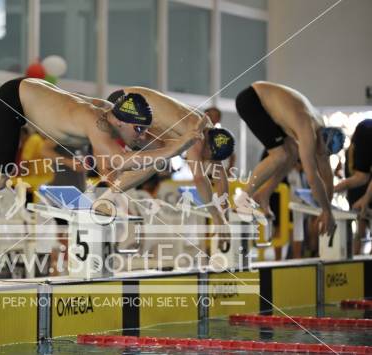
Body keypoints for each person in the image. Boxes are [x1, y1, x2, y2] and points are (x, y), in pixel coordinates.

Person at [0, 78, 198, 224]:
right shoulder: (98, 124)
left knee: (4, 135)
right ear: (121, 121)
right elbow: (121, 162)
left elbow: (119, 162)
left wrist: (163, 145)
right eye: (139, 130)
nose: (142, 135)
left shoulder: (110, 116)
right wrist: (176, 146)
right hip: (16, 99)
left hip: (28, 97)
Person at [106, 87, 235, 244]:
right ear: (207, 145)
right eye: (209, 158)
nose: (207, 162)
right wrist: (217, 217)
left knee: (163, 151)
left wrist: (225, 213)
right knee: (157, 160)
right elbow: (200, 178)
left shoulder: (210, 131)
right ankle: (109, 194)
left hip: (132, 102)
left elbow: (220, 175)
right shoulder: (197, 133)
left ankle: (111, 190)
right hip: (126, 103)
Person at [234, 81, 345, 239]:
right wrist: (326, 211)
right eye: (321, 152)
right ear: (319, 138)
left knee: (292, 153)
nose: (321, 156)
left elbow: (327, 175)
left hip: (263, 101)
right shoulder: (307, 131)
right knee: (280, 155)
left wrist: (328, 210)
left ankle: (264, 194)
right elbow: (313, 178)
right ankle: (243, 198)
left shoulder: (322, 132)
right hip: (252, 99)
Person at [334, 119, 372, 254]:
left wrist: (366, 199)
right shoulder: (356, 145)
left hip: (359, 192)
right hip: (358, 192)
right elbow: (363, 177)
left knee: (361, 230)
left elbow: (362, 177)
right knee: (360, 230)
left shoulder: (363, 136)